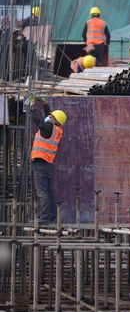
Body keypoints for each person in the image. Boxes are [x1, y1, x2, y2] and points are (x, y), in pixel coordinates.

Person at [29, 95, 67, 225]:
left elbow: (36, 119)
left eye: (51, 117)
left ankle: (44, 218)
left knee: (42, 192)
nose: (48, 117)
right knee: (48, 191)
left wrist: (32, 106)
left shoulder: (48, 127)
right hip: (47, 164)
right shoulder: (56, 129)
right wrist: (45, 105)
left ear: (55, 120)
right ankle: (51, 216)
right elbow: (49, 117)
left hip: (41, 163)